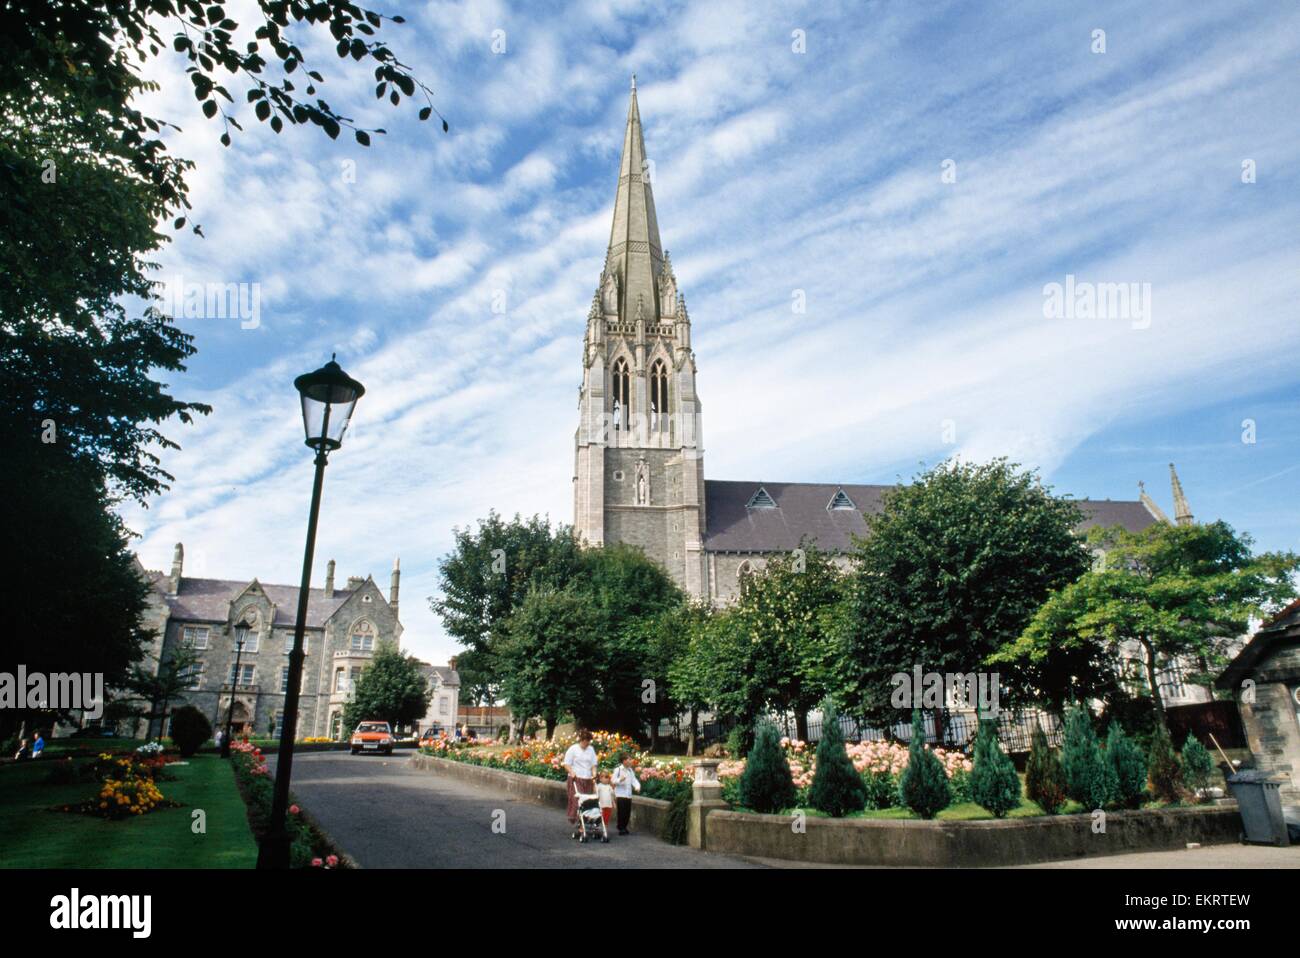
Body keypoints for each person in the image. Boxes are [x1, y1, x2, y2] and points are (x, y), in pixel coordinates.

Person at [562, 730, 598, 838]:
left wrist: (594, 774)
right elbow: (566, 764)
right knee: (577, 801)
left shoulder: (591, 749)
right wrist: (572, 772)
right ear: (581, 740)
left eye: (588, 741)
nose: (587, 744)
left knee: (587, 802)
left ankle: (583, 823)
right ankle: (579, 824)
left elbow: (593, 765)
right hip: (576, 778)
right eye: (585, 741)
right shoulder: (573, 749)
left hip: (587, 779)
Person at [610, 752, 642, 835]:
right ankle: (621, 827)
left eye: (631, 759)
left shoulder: (630, 770)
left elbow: (633, 780)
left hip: (628, 794)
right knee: (621, 811)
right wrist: (619, 780)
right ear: (624, 761)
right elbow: (613, 780)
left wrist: (637, 786)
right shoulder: (618, 770)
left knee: (627, 811)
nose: (631, 761)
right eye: (629, 759)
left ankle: (624, 826)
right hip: (620, 794)